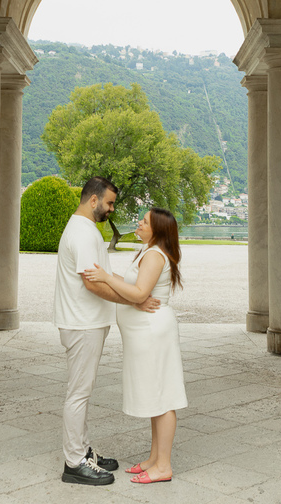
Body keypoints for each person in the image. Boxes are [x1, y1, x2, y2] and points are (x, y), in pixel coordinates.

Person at [54, 176, 160, 486]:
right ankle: (74, 463)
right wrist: (135, 300)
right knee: (78, 394)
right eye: (109, 203)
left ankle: (83, 451)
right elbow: (93, 282)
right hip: (82, 323)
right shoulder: (84, 233)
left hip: (85, 322)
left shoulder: (85, 229)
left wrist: (132, 294)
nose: (111, 209)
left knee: (82, 393)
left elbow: (105, 273)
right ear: (93, 200)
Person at [81, 207, 187, 484]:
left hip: (153, 332)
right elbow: (132, 286)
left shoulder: (153, 254)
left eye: (144, 221)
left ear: (158, 230)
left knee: (163, 398)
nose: (138, 223)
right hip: (143, 333)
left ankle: (163, 465)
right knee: (155, 395)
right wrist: (107, 274)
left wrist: (105, 278)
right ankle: (155, 458)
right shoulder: (147, 251)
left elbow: (140, 293)